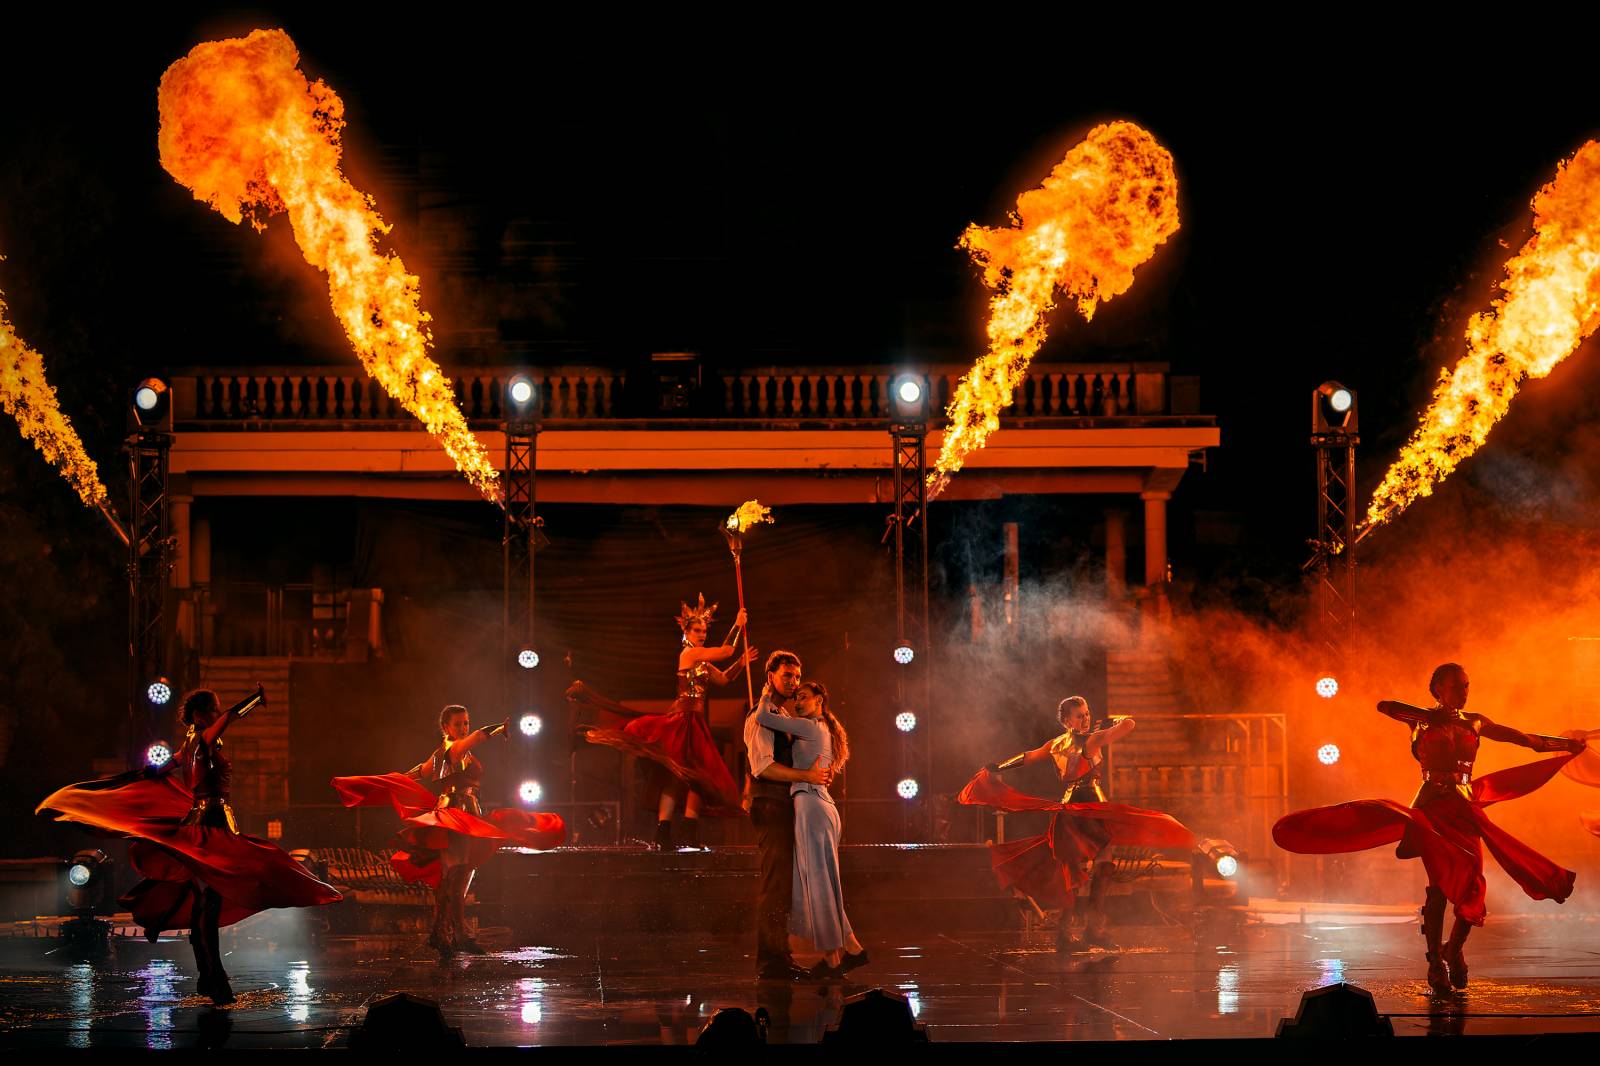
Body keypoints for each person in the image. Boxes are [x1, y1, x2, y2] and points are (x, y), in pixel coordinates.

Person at [1274, 663, 1586, 995]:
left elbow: (1526, 740)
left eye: (1466, 686)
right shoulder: (1421, 719)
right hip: (1431, 809)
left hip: (1464, 810)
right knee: (1439, 884)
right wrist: (1426, 715)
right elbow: (1385, 706)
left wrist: (1565, 746)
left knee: (1473, 882)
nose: (1464, 692)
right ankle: (1436, 962)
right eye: (1456, 687)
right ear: (1438, 688)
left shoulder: (1475, 721)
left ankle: (1454, 948)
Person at [38, 686, 341, 1005]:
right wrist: (255, 699)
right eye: (211, 711)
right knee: (224, 893)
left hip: (207, 825)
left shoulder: (188, 746)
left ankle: (209, 976)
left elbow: (160, 769)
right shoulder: (203, 739)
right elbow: (230, 717)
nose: (215, 716)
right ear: (199, 716)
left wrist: (137, 778)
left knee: (205, 904)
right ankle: (214, 978)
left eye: (215, 712)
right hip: (211, 827)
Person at [333, 704, 566, 957]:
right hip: (456, 816)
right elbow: (477, 737)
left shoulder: (441, 755)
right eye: (458, 724)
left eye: (466, 723)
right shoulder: (453, 749)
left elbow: (419, 772)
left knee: (455, 876)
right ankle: (459, 934)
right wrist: (500, 729)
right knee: (458, 874)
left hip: (465, 815)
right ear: (445, 727)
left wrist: (399, 779)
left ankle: (442, 933)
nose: (463, 728)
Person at [963, 696, 1194, 951]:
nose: (1085, 719)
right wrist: (1111, 721)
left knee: (1071, 868)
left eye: (1086, 714)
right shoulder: (1091, 740)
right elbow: (1129, 725)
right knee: (1102, 860)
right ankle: (1093, 927)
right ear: (1065, 720)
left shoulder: (1056, 744)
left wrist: (999, 766)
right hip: (1090, 806)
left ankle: (1068, 931)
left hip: (1069, 808)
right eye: (1079, 716)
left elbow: (1029, 756)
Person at [585, 595, 758, 849]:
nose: (701, 634)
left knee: (693, 778)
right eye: (697, 630)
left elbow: (722, 679)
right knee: (679, 776)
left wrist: (740, 664)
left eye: (704, 630)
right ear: (686, 631)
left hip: (696, 721)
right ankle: (665, 832)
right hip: (683, 719)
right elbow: (726, 650)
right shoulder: (689, 654)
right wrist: (737, 625)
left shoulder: (702, 661)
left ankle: (683, 831)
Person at [754, 680, 867, 977]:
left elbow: (763, 717)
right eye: (797, 699)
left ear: (819, 700)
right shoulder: (816, 727)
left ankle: (844, 954)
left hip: (812, 805)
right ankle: (843, 954)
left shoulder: (813, 726)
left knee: (819, 884)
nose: (798, 702)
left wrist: (766, 693)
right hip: (816, 804)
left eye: (804, 697)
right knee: (822, 884)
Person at [744, 650, 833, 980]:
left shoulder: (780, 713)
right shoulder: (760, 715)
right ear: (770, 676)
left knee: (783, 886)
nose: (794, 682)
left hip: (783, 805)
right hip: (770, 805)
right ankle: (770, 962)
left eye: (797, 677)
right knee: (775, 885)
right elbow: (763, 767)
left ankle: (779, 956)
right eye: (787, 676)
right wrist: (806, 777)